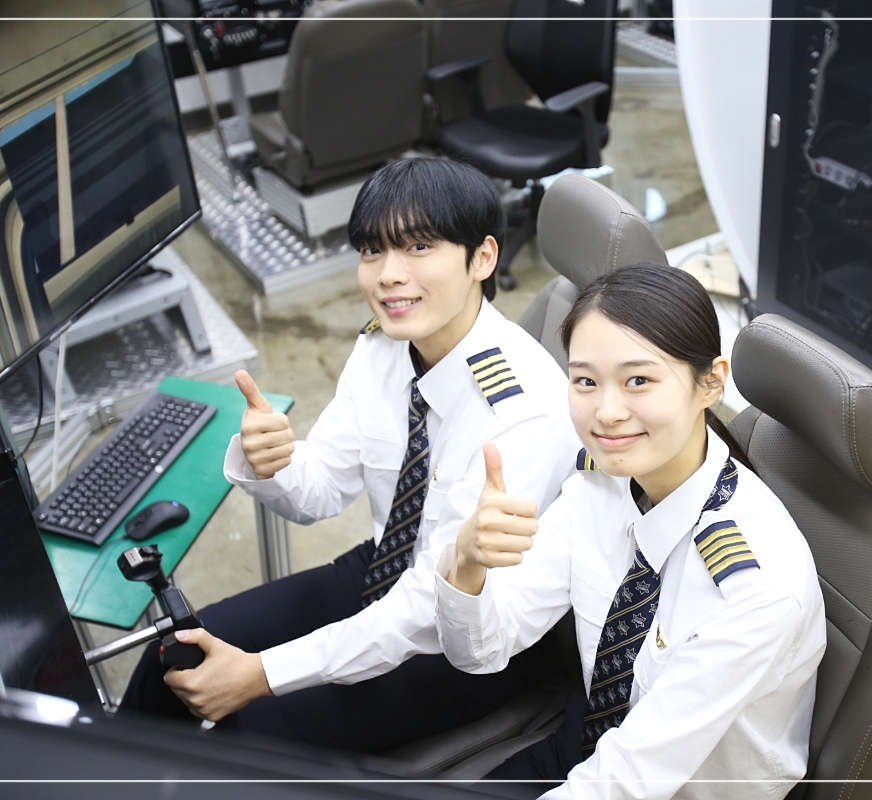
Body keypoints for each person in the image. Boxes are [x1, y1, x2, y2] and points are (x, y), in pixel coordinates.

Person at [120, 157, 581, 753]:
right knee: (171, 658)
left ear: (483, 258)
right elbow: (321, 491)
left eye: (419, 247)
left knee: (244, 738)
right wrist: (274, 461)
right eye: (371, 250)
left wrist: (262, 675)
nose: (388, 275)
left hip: (461, 636)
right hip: (384, 568)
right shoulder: (384, 346)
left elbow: (428, 602)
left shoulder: (525, 409)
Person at [434, 264, 827, 799]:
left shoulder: (755, 590)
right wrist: (466, 564)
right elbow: (481, 651)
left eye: (638, 380)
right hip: (585, 748)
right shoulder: (601, 485)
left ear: (710, 382)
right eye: (585, 381)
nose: (607, 413)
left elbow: (628, 782)